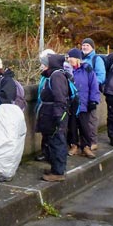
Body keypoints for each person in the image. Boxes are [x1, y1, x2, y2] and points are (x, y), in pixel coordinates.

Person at [36, 52, 71, 182]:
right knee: (53, 142)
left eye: (43, 64)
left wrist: (58, 117)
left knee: (57, 142)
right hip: (51, 114)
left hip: (54, 115)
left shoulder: (56, 77)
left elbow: (59, 98)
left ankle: (58, 172)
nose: (42, 66)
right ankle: (56, 168)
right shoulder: (55, 75)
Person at [65, 48, 100, 159]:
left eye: (72, 57)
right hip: (72, 104)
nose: (70, 59)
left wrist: (93, 100)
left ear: (78, 59)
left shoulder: (87, 69)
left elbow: (94, 86)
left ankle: (86, 147)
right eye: (69, 57)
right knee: (72, 126)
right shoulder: (66, 71)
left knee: (85, 127)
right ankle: (74, 145)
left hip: (84, 103)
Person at [81, 38, 105, 150]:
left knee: (91, 119)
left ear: (92, 47)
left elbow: (101, 76)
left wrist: (91, 85)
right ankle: (83, 142)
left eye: (87, 45)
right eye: (83, 45)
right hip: (80, 94)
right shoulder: (79, 58)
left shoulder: (97, 59)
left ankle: (92, 141)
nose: (85, 47)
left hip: (91, 93)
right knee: (80, 119)